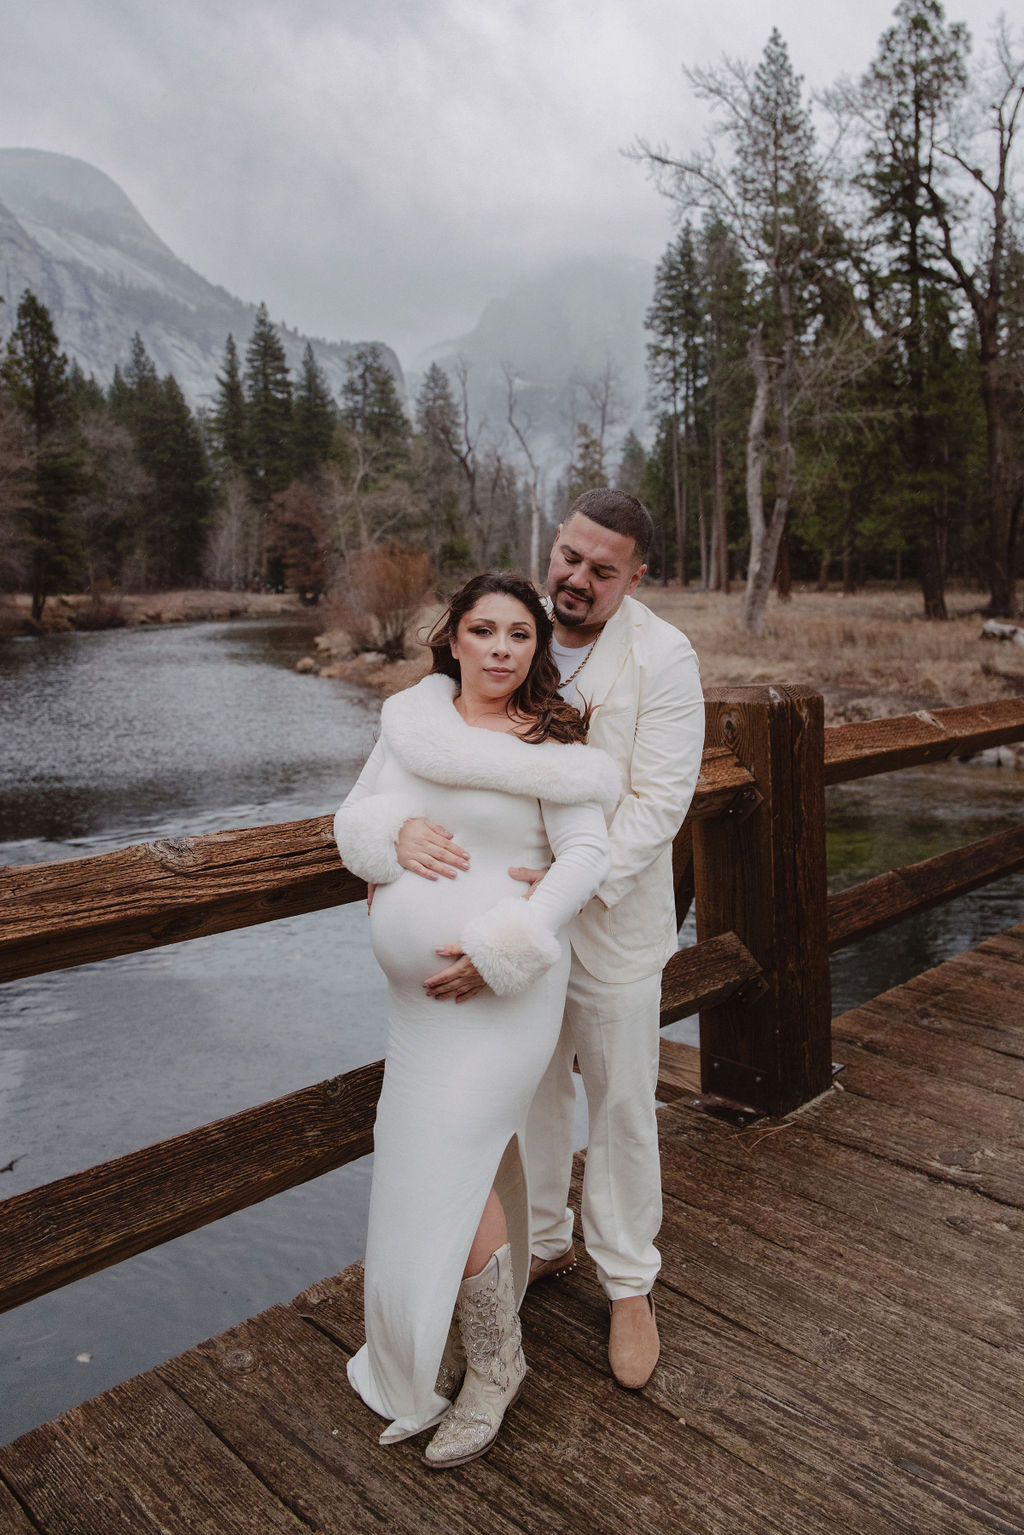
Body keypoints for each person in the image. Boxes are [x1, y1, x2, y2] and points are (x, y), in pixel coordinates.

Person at [397, 490, 704, 1392]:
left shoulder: (665, 657)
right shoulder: (509, 629)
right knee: (526, 1093)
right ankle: (542, 1245)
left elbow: (658, 800)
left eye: (602, 570)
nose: (576, 578)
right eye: (569, 555)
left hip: (609, 922)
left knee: (618, 1102)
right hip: (508, 927)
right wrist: (395, 841)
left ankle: (629, 1279)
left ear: (635, 578)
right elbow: (444, 750)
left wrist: (578, 878)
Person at [333, 572, 618, 1468]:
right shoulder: (414, 724)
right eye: (484, 630)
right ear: (452, 637)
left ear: (538, 649)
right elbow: (356, 816)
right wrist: (394, 836)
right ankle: (448, 1347)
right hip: (417, 1012)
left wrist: (514, 939)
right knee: (437, 1165)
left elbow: (585, 855)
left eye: (520, 636)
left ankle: (497, 1367)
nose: (501, 649)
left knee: (446, 1165)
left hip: (504, 995)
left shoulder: (550, 742)